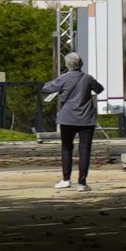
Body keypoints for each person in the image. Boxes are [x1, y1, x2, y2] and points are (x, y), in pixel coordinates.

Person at [40, 53, 102, 186]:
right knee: (84, 149)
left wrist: (58, 82)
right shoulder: (87, 78)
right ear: (81, 64)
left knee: (66, 148)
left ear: (67, 65)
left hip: (67, 118)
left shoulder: (63, 79)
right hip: (87, 119)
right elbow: (99, 89)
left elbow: (45, 88)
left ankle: (66, 179)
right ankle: (82, 183)